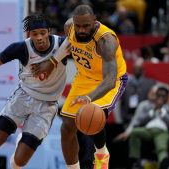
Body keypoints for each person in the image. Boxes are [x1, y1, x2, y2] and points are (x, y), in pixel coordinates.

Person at [0, 14, 68, 169]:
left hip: (47, 105)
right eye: (34, 34)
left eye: (42, 33)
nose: (39, 37)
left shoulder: (63, 44)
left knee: (21, 161)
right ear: (29, 35)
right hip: (23, 97)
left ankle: (21, 143)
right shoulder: (21, 48)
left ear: (49, 31)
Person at [33, 5, 128, 169]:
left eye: (86, 26)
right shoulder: (70, 27)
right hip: (84, 78)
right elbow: (67, 45)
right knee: (67, 128)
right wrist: (51, 63)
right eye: (78, 26)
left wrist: (89, 97)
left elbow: (110, 80)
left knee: (92, 113)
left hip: (110, 80)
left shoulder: (106, 40)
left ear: (94, 21)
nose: (81, 30)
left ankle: (101, 153)